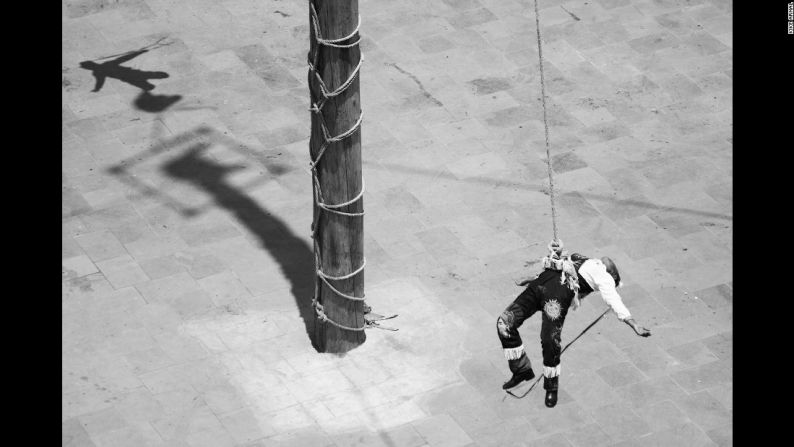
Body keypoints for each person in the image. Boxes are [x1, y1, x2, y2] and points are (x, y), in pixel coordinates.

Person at [496, 242, 651, 407]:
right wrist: (531, 279)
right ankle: (521, 370)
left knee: (550, 341)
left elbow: (614, 300)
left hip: (555, 299)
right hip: (540, 286)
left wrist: (632, 323)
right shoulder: (580, 258)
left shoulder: (605, 278)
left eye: (611, 266)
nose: (606, 260)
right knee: (504, 323)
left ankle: (551, 387)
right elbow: (555, 268)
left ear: (612, 274)